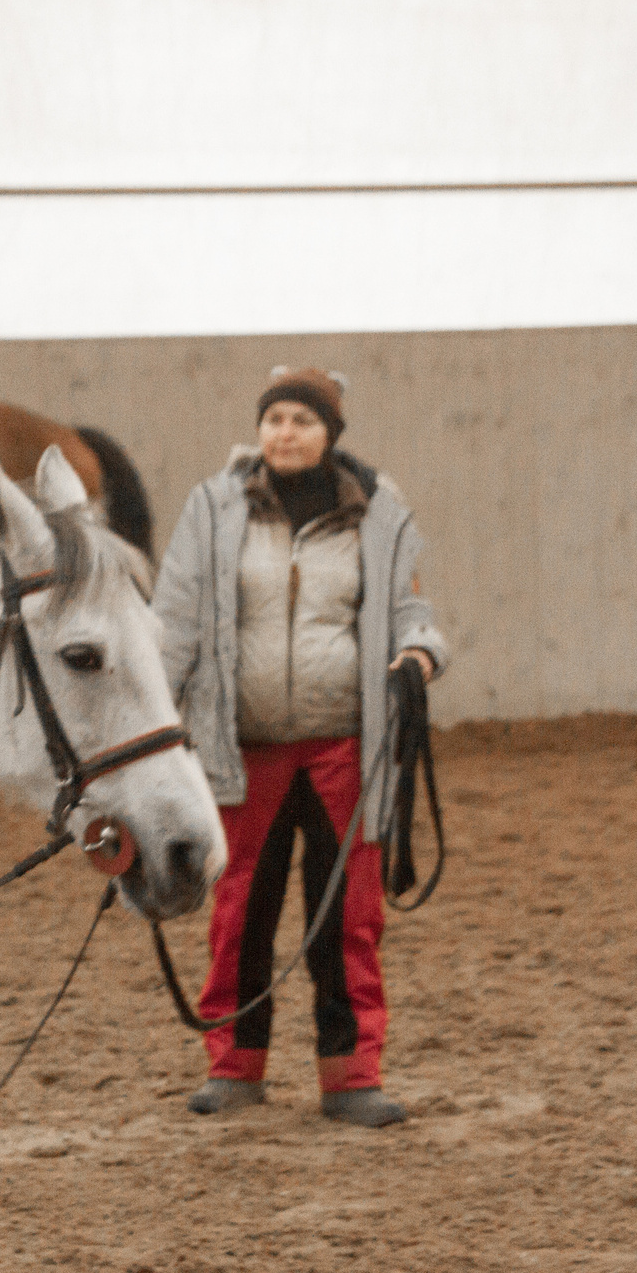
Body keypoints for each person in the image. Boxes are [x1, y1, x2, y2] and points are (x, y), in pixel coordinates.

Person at [151, 367, 448, 1127]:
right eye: (275, 418)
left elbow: (411, 608)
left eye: (302, 420)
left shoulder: (380, 514)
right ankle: (234, 1067)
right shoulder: (213, 509)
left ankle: (352, 1076)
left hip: (345, 749)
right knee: (240, 911)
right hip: (242, 749)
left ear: (330, 434)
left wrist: (418, 652)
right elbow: (176, 619)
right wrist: (151, 710)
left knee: (346, 916)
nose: (285, 432)